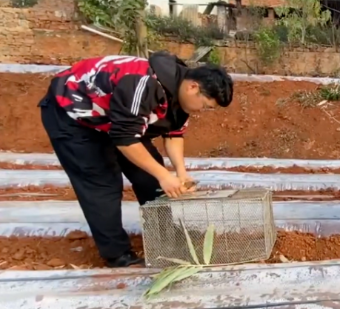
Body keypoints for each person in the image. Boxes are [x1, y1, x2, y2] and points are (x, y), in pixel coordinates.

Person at [38, 52, 234, 267]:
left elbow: (174, 134)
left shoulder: (181, 96)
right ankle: (117, 254)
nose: (202, 111)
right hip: (74, 114)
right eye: (205, 105)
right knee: (103, 183)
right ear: (193, 87)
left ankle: (165, 238)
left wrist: (180, 173)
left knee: (150, 180)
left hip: (119, 122)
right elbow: (125, 139)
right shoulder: (143, 83)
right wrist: (163, 175)